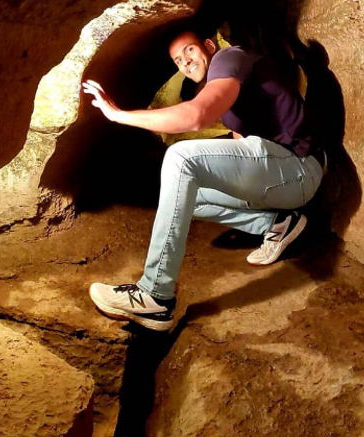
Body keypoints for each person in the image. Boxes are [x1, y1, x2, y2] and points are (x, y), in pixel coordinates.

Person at [82, 30, 326, 331]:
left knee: (180, 158)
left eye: (189, 50)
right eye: (177, 60)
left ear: (209, 46)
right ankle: (278, 223)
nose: (185, 61)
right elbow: (241, 147)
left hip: (299, 169)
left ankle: (155, 295)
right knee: (185, 196)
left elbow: (197, 116)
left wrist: (117, 115)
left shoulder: (228, 58)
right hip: (282, 178)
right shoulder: (226, 88)